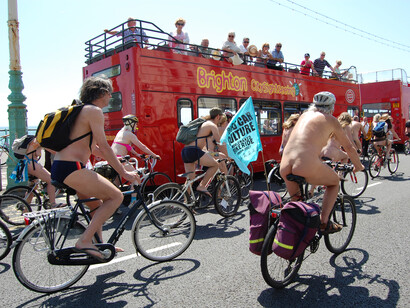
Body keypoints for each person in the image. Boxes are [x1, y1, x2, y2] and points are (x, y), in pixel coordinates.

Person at [51, 77, 139, 262]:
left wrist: (117, 161)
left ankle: (98, 245)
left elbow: (94, 149)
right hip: (72, 168)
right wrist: (124, 173)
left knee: (96, 205)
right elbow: (105, 146)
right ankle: (84, 242)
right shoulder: (94, 111)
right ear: (102, 93)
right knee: (116, 196)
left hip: (61, 166)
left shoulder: (79, 111)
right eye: (109, 93)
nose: (110, 97)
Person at [280, 92, 364, 234]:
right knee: (334, 182)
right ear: (331, 107)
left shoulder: (303, 116)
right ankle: (324, 223)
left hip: (284, 165)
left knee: (297, 204)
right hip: (304, 165)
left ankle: (295, 238)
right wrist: (358, 165)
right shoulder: (331, 119)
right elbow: (349, 147)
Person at [181, 108, 225, 195]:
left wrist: (215, 154)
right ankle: (202, 186)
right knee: (215, 165)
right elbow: (219, 143)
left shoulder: (203, 124)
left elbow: (204, 150)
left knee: (190, 178)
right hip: (194, 151)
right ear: (218, 117)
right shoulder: (212, 125)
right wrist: (229, 155)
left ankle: (186, 203)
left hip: (185, 151)